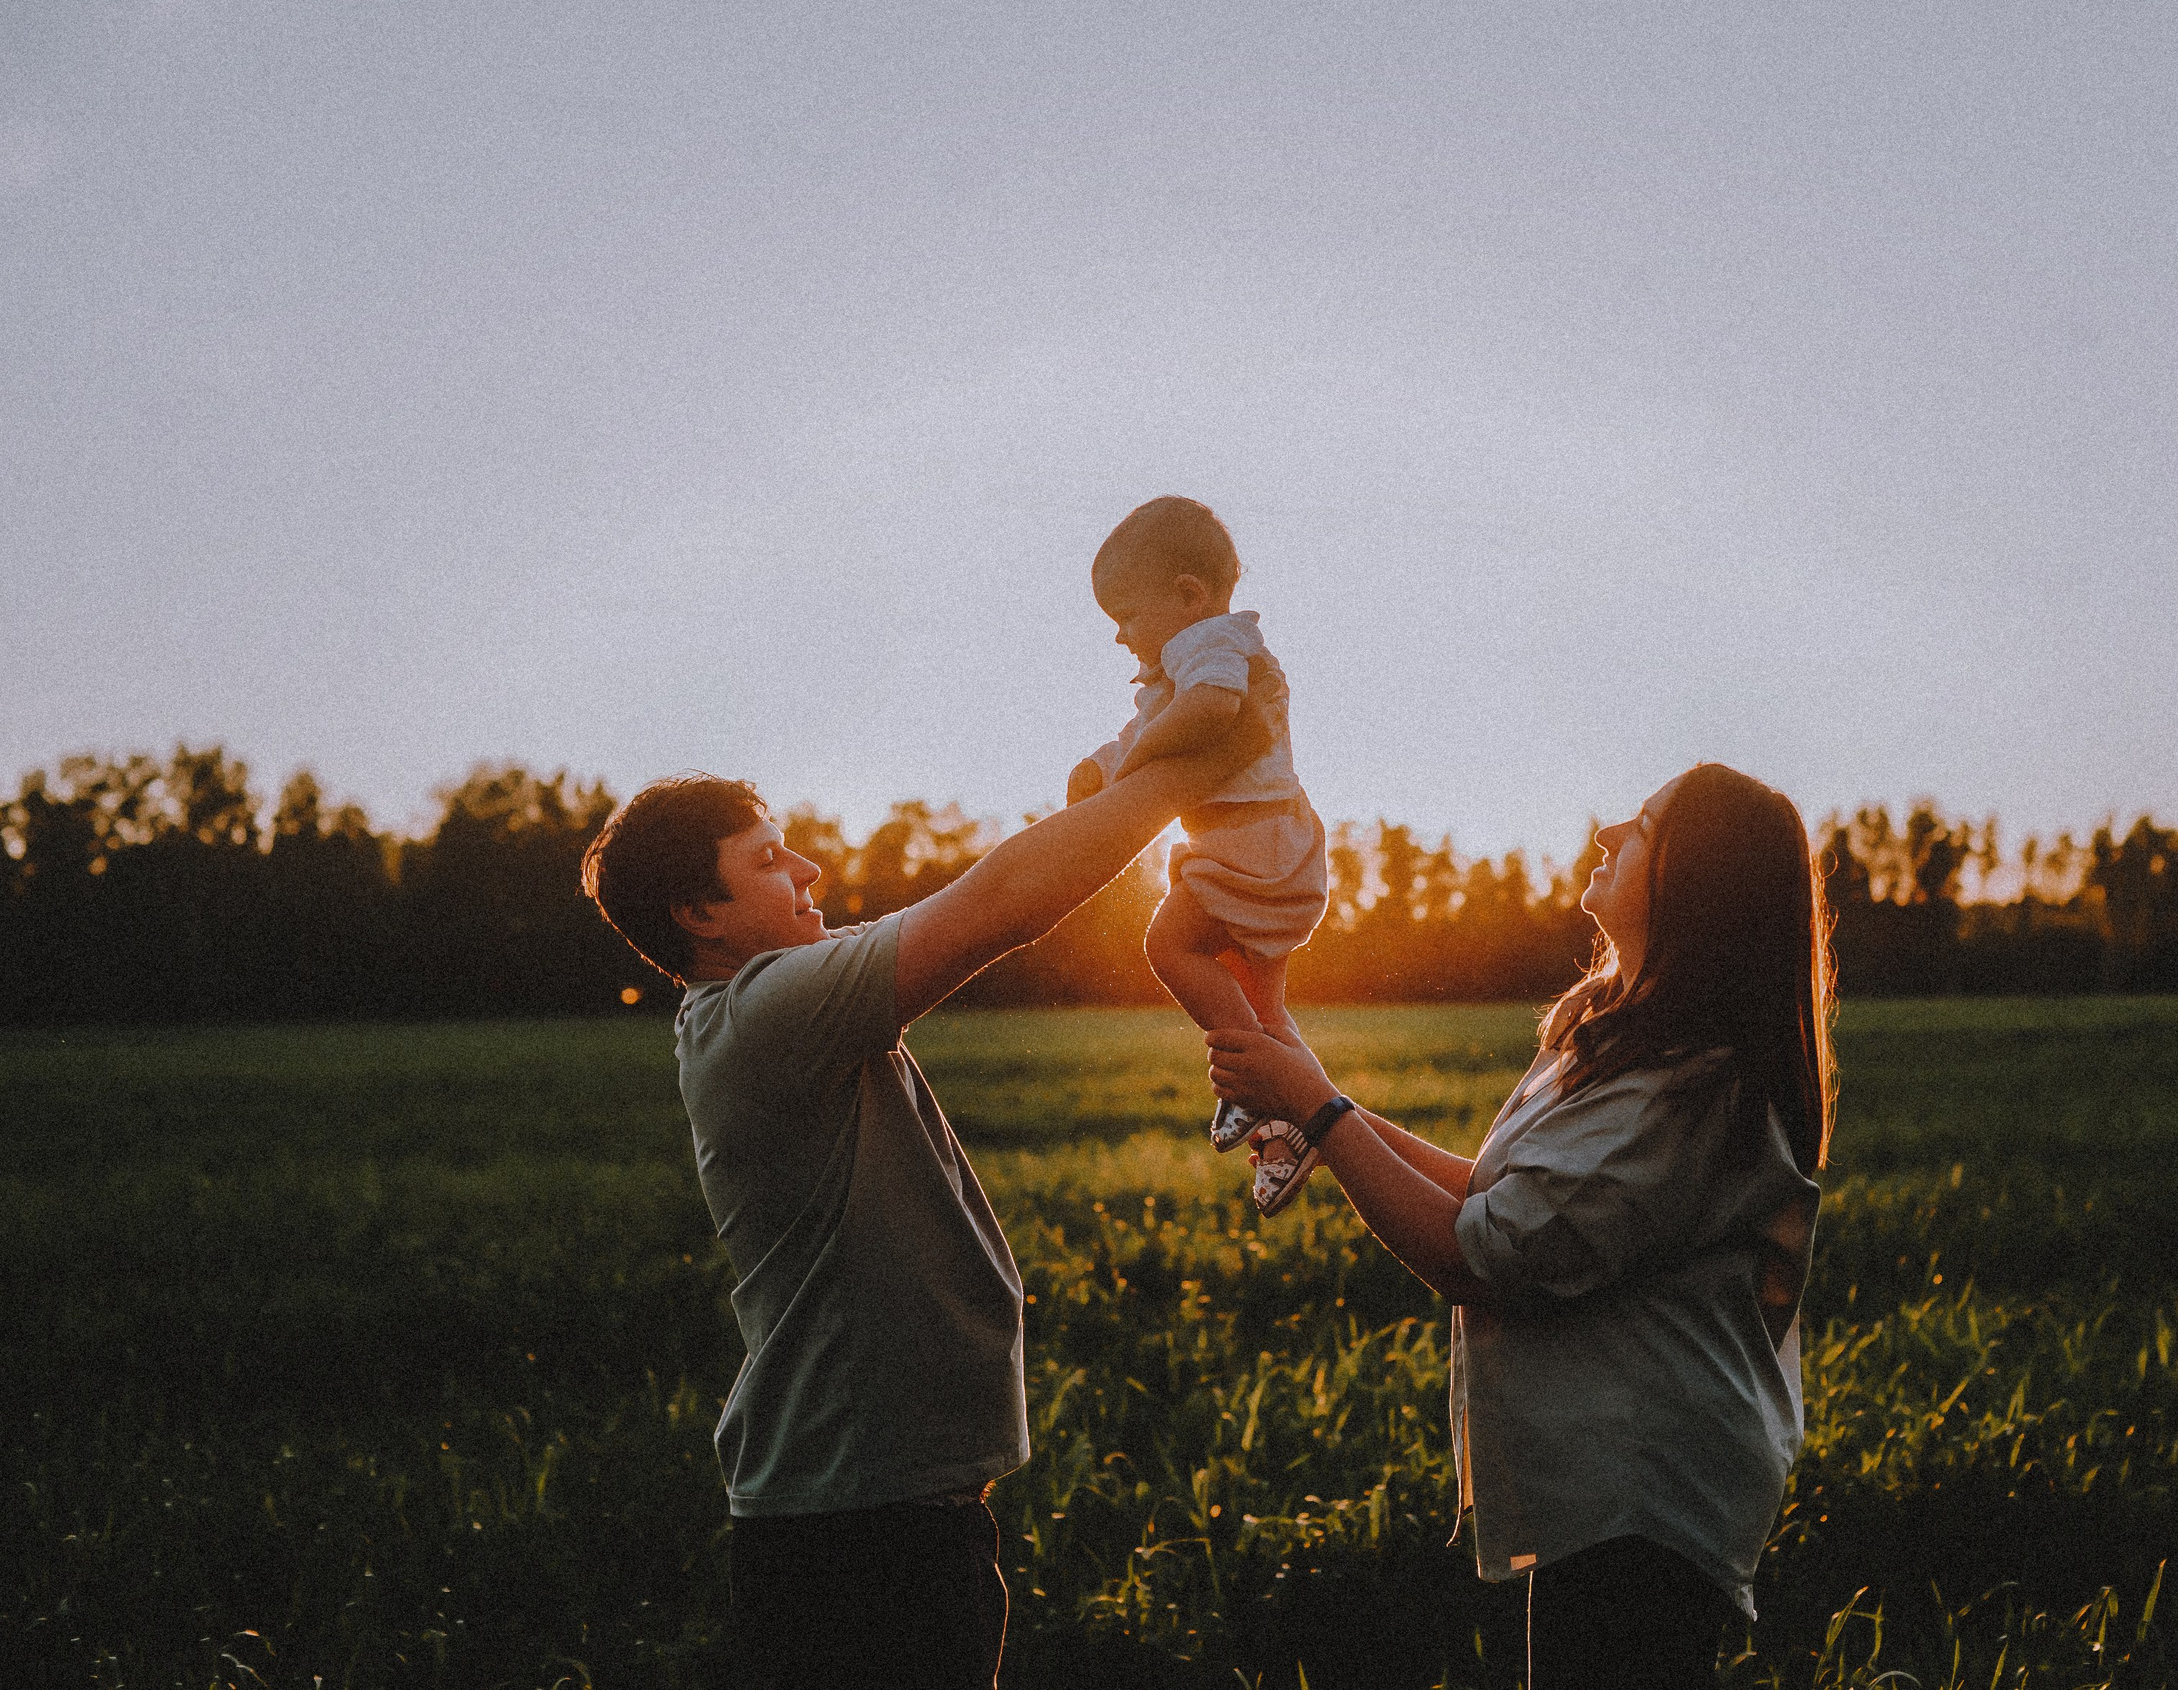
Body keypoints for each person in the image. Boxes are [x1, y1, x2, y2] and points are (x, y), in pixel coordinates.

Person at [577, 693, 1272, 1690]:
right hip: (855, 1534)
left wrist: (1121, 784)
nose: (809, 868)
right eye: (768, 858)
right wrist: (1200, 766)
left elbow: (992, 887)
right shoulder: (770, 1006)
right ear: (701, 914)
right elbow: (1003, 900)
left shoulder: (772, 997)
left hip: (878, 1514)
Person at [1205, 763, 1835, 1690]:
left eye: (1646, 826)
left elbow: (1480, 1255)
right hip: (1617, 1485)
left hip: (1650, 1497)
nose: (1610, 829)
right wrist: (1300, 1071)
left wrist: (1315, 1107)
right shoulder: (1630, 1048)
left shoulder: (1695, 1090)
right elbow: (1490, 1197)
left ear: (1696, 888)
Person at [1067, 496, 1330, 1216]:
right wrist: (1102, 764)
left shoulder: (1213, 641)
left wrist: (1131, 763)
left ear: (1188, 594)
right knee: (1264, 1011)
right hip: (1270, 849)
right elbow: (1153, 727)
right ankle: (1290, 1129)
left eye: (1125, 613)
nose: (1120, 636)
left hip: (1252, 850)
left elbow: (1208, 710)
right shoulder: (1183, 661)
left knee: (1168, 943)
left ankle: (1253, 1085)